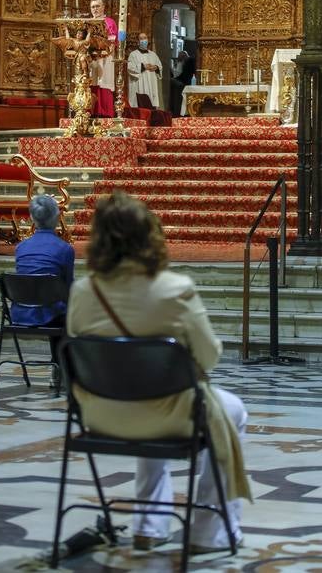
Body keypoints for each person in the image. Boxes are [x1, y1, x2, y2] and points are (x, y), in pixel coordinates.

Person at [66, 191, 251, 554]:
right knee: (231, 411)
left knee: (146, 392)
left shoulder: (81, 292)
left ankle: (149, 525)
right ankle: (208, 532)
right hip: (167, 413)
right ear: (150, 235)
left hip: (100, 414)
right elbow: (209, 357)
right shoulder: (174, 290)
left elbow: (77, 346)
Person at [13, 194, 75, 378]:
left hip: (21, 311)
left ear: (32, 218)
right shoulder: (64, 249)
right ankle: (64, 367)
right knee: (63, 310)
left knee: (53, 304)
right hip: (51, 313)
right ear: (57, 217)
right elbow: (68, 289)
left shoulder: (21, 248)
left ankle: (58, 367)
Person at [88, 0, 117, 118]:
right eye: (93, 7)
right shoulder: (88, 23)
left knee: (104, 81)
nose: (95, 9)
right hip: (91, 57)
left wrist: (106, 46)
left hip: (105, 57)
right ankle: (91, 111)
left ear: (103, 7)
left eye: (97, 6)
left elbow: (113, 38)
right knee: (91, 81)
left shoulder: (109, 22)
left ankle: (105, 112)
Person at [127, 32, 163, 109]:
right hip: (139, 83)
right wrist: (143, 66)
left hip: (151, 83)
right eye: (141, 38)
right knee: (140, 105)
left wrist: (156, 67)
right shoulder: (133, 54)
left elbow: (160, 66)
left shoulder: (153, 54)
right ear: (138, 41)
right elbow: (130, 68)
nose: (144, 40)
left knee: (151, 105)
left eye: (145, 38)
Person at [170, 49, 196, 116]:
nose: (179, 57)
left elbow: (183, 75)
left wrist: (175, 78)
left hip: (184, 82)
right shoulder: (187, 61)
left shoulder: (189, 61)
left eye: (180, 56)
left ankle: (176, 112)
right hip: (184, 81)